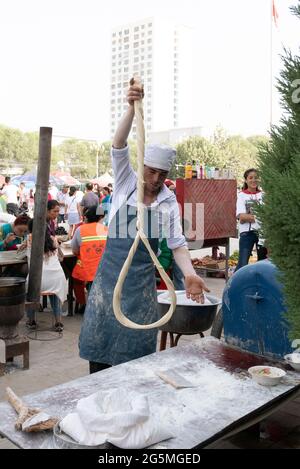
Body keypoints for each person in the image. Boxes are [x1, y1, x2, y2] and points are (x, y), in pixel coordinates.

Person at [79, 82, 209, 374]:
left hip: (141, 287)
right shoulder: (127, 182)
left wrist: (189, 274)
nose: (155, 178)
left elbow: (178, 245)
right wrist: (130, 108)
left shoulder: (167, 201)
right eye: (151, 170)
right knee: (100, 351)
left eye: (162, 173)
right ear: (143, 166)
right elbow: (119, 145)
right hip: (108, 281)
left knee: (135, 358)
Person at [26, 219, 68, 332]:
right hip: (57, 278)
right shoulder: (54, 239)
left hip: (37, 279)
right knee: (54, 294)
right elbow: (61, 258)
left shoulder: (30, 238)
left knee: (29, 292)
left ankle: (31, 321)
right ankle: (58, 322)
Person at [71, 206, 108, 313]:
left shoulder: (80, 230)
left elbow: (74, 250)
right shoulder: (106, 229)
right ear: (101, 217)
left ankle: (82, 303)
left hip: (86, 268)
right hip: (104, 268)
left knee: (76, 278)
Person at [235, 168, 267, 271]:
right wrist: (259, 217)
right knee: (242, 265)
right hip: (247, 234)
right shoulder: (241, 196)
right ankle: (233, 286)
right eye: (250, 178)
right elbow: (241, 217)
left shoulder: (263, 195)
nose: (254, 180)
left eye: (256, 178)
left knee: (262, 264)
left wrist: (250, 217)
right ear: (246, 180)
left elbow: (267, 214)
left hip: (262, 234)